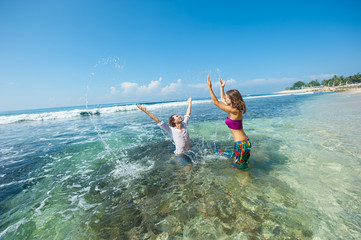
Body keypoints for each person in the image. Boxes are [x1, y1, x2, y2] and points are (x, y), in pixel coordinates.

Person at [207, 76, 251, 171]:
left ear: (232, 99)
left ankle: (246, 183)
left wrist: (210, 88)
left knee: (241, 169)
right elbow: (222, 99)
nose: (225, 100)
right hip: (240, 143)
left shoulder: (234, 111)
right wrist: (222, 87)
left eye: (227, 98)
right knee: (237, 164)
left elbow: (216, 102)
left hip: (242, 144)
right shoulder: (232, 109)